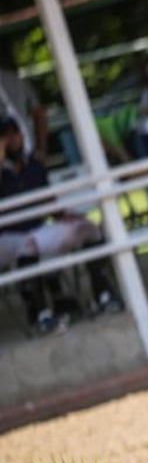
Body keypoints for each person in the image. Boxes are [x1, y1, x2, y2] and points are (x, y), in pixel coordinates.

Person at [0, 116, 122, 335]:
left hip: (36, 229)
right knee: (27, 245)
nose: (12, 140)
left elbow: (48, 201)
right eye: (5, 137)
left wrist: (65, 216)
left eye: (14, 134)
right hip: (7, 236)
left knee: (88, 229)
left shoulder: (34, 164)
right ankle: (39, 313)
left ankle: (103, 294)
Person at [0, 37, 48, 164]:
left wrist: (41, 149)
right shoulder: (14, 79)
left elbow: (38, 112)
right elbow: (39, 112)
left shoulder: (14, 80)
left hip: (29, 154)